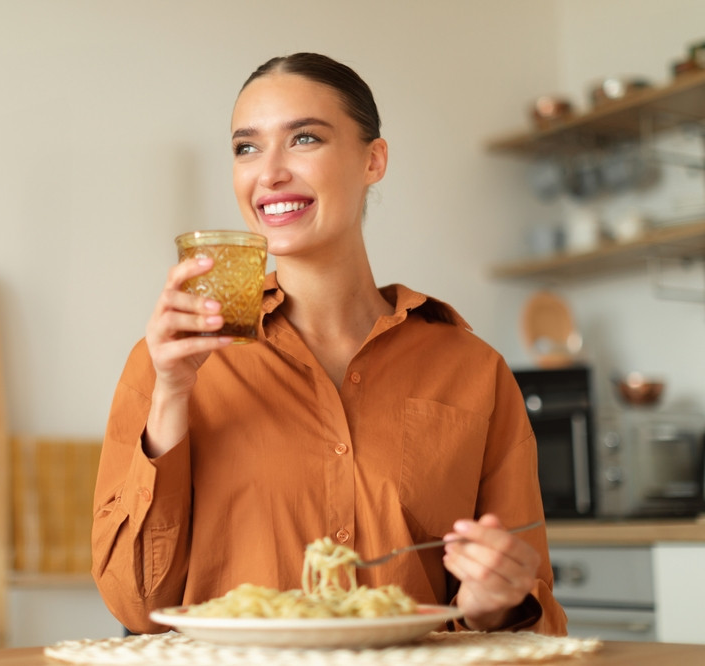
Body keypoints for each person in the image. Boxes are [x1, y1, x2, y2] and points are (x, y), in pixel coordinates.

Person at [91, 52, 567, 636]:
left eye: (304, 139)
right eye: (246, 148)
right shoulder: (170, 361)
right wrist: (170, 394)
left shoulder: (474, 370)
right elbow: (134, 605)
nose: (269, 173)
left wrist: (495, 600)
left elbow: (533, 609)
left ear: (374, 160)